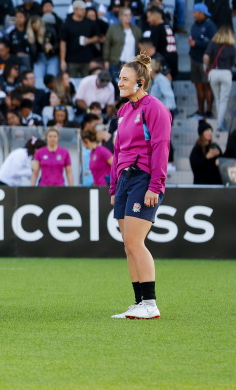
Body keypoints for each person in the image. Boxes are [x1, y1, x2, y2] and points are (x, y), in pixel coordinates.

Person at [110, 53, 171, 320]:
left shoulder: (154, 108)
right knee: (128, 244)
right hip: (125, 179)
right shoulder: (124, 111)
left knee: (135, 242)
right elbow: (118, 150)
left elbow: (161, 148)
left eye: (125, 79)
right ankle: (139, 303)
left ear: (141, 82)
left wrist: (155, 186)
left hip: (144, 178)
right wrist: (114, 187)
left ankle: (151, 303)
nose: (120, 82)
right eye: (120, 78)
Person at [204, 24, 236, 133]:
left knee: (217, 98)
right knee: (223, 99)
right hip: (226, 73)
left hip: (214, 73)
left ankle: (219, 121)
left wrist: (205, 67)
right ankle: (220, 123)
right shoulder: (231, 46)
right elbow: (233, 63)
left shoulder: (213, 44)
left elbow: (206, 57)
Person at [188, 3, 218, 119]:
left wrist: (197, 43)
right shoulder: (195, 25)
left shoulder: (210, 25)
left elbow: (214, 42)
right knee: (198, 85)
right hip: (194, 58)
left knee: (207, 86)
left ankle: (208, 111)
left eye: (195, 12)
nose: (193, 14)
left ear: (202, 13)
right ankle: (200, 110)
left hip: (206, 60)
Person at [189, 120, 223, 185]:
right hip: (202, 183)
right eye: (207, 131)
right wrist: (207, 157)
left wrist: (219, 157)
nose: (210, 133)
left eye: (211, 131)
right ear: (202, 133)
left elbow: (223, 160)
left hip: (216, 183)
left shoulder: (215, 146)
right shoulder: (197, 149)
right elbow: (195, 166)